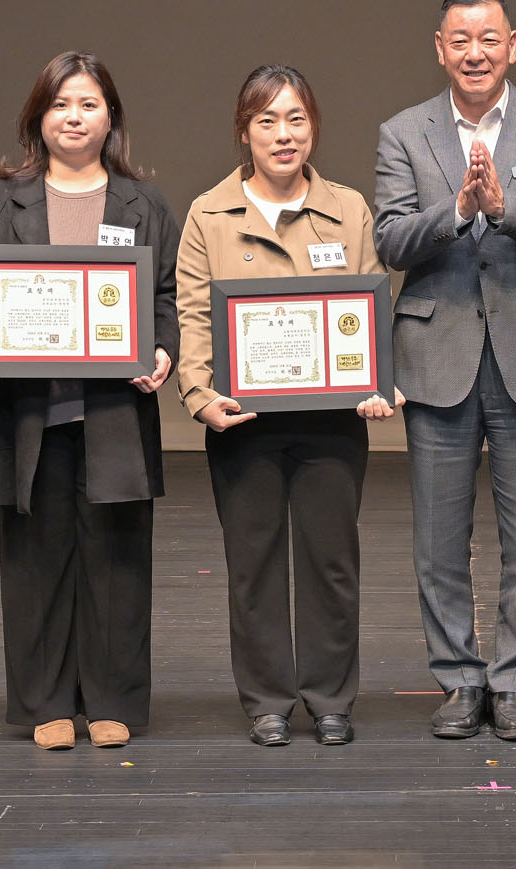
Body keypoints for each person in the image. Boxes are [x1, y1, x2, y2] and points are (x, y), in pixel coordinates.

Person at [0, 51, 177, 752]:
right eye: (60, 104)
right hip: (32, 414)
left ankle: (111, 700)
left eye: (88, 104)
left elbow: (165, 299)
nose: (74, 117)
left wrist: (162, 348)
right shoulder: (1, 201)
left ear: (111, 117)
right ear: (38, 117)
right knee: (35, 563)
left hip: (115, 413)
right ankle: (44, 701)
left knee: (117, 563)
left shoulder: (144, 204)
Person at [373, 0, 516, 740]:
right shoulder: (403, 132)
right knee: (439, 540)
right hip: (437, 356)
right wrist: (460, 211)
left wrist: (504, 208)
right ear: (439, 48)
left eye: (489, 39)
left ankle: (515, 684)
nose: (476, 53)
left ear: (513, 44)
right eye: (461, 40)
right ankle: (460, 681)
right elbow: (391, 240)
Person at [175, 65, 399, 747]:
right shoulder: (208, 214)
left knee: (332, 561)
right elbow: (193, 315)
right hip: (242, 421)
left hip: (332, 423)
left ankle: (331, 696)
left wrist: (378, 380)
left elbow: (373, 305)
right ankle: (267, 699)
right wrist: (199, 394)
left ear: (314, 127)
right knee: (254, 563)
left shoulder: (349, 209)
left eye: (296, 118)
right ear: (244, 131)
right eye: (267, 120)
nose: (283, 134)